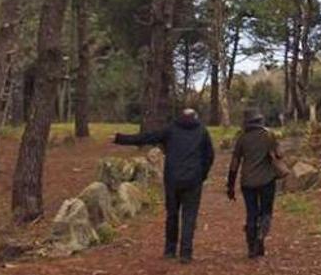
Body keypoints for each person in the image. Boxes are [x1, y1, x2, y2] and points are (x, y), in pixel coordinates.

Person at [112, 108, 214, 263]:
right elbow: (209, 156)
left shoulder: (172, 129)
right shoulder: (202, 131)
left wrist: (120, 138)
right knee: (189, 216)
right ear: (195, 117)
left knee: (172, 214)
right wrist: (202, 175)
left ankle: (170, 250)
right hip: (193, 180)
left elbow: (147, 137)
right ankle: (186, 253)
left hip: (173, 180)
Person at [226, 112, 283, 259]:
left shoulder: (242, 138)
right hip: (267, 181)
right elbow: (279, 155)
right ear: (261, 121)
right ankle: (260, 238)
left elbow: (234, 163)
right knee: (266, 212)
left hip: (247, 182)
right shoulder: (269, 135)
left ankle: (251, 246)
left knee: (251, 213)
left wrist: (230, 185)